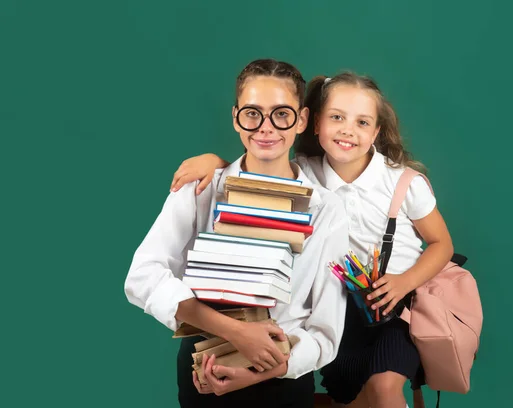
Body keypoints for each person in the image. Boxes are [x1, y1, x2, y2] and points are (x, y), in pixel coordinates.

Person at [169, 71, 455, 408]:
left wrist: (404, 282)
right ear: (314, 123)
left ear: (376, 132)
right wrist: (215, 163)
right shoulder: (304, 173)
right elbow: (256, 164)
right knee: (343, 398)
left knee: (384, 391)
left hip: (393, 310)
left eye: (362, 122)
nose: (348, 129)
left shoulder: (403, 182)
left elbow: (442, 244)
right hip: (335, 308)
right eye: (337, 117)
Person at [124, 59, 349, 408]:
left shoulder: (326, 209)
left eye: (282, 114)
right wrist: (236, 332)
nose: (266, 128)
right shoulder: (201, 188)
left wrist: (264, 368)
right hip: (205, 365)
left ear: (302, 120)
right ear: (235, 117)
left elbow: (326, 329)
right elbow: (142, 277)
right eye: (252, 113)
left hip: (282, 372)